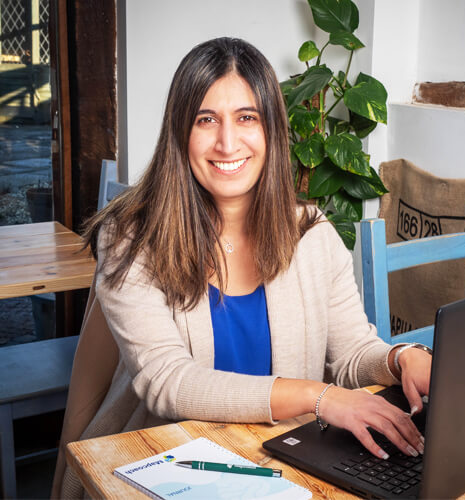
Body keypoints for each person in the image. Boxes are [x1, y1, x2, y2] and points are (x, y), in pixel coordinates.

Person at [51, 37, 431, 499]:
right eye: (205, 120)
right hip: (157, 468)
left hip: (278, 468)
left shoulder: (312, 234)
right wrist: (321, 397)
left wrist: (399, 358)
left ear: (271, 128)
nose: (227, 142)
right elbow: (167, 381)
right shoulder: (131, 237)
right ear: (179, 131)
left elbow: (351, 353)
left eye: (246, 118)